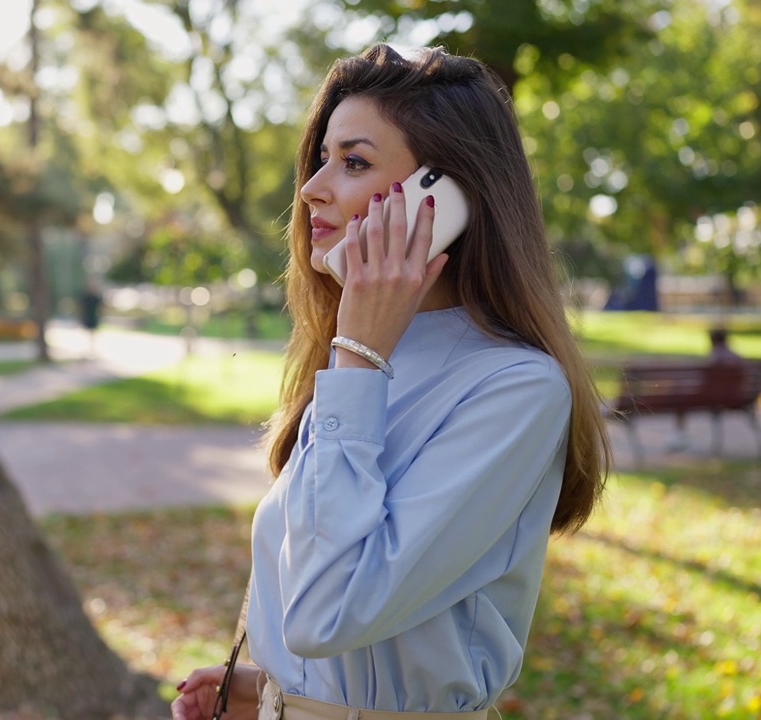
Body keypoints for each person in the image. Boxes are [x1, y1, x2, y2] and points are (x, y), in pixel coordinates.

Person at [171, 44, 611, 720]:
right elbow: (324, 612)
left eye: (353, 162)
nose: (313, 188)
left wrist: (359, 356)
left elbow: (328, 614)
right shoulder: (361, 359)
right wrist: (278, 688)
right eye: (321, 159)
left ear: (447, 199)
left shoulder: (516, 388)